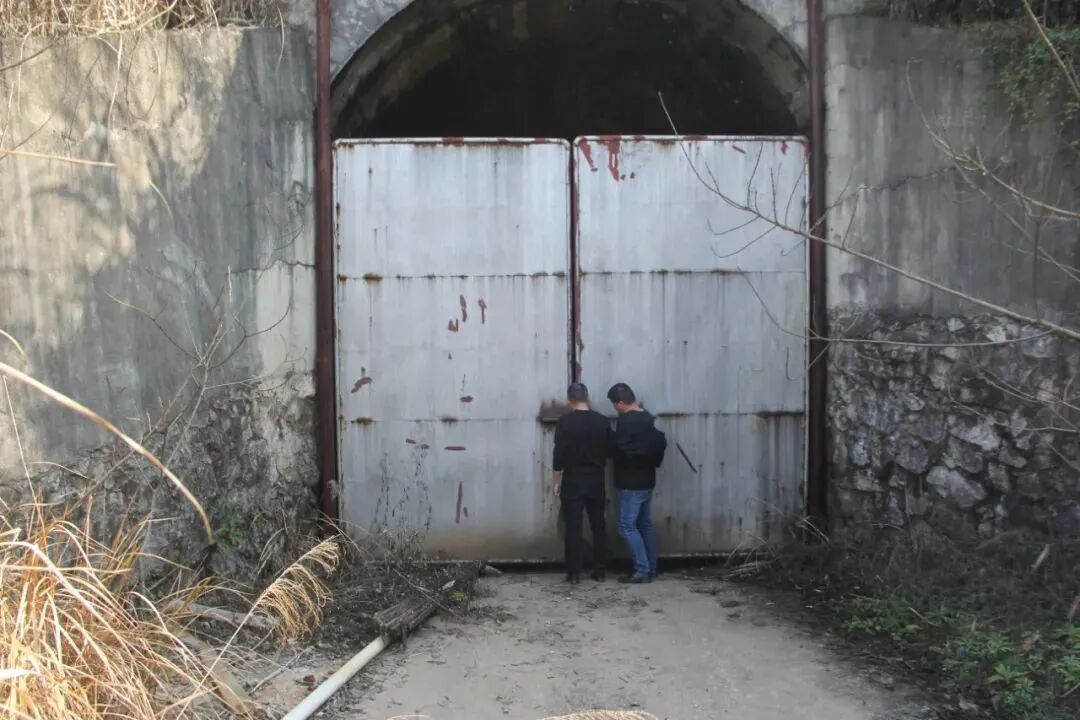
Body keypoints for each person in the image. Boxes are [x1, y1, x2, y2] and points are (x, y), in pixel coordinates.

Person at [607, 382, 666, 584]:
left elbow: (622, 450)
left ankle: (642, 570)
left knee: (626, 526)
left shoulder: (626, 421)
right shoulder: (647, 417)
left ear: (621, 403)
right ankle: (651, 567)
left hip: (631, 482)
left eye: (615, 404)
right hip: (647, 480)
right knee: (644, 525)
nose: (615, 409)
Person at [552, 382, 611, 584]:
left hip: (573, 481)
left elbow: (559, 454)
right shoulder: (602, 421)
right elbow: (609, 450)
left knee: (573, 527)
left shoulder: (564, 423)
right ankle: (600, 571)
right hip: (596, 480)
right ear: (587, 398)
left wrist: (556, 481)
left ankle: (574, 573)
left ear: (570, 400)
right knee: (598, 526)